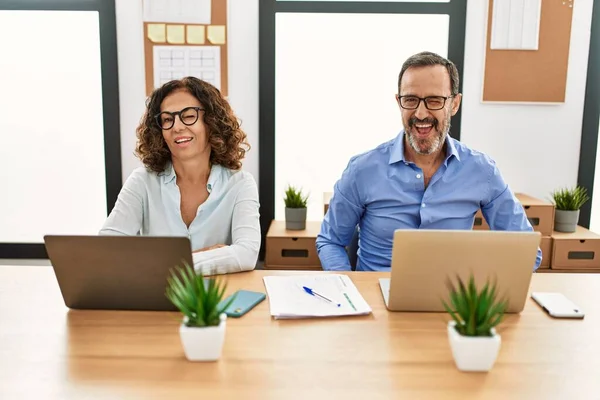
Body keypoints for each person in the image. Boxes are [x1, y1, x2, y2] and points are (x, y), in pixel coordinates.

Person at [316, 51, 542, 272]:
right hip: (376, 300)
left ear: (454, 104)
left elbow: (527, 250)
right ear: (399, 102)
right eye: (411, 100)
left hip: (450, 303)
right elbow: (330, 241)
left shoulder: (483, 171)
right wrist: (349, 289)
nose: (421, 113)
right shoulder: (362, 170)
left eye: (434, 100)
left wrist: (480, 288)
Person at [100, 77, 260, 275]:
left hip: (216, 299)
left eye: (188, 115)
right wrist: (201, 257)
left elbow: (247, 254)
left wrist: (161, 264)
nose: (176, 127)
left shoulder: (240, 184)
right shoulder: (142, 181)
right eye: (167, 119)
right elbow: (108, 247)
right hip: (156, 296)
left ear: (212, 122)